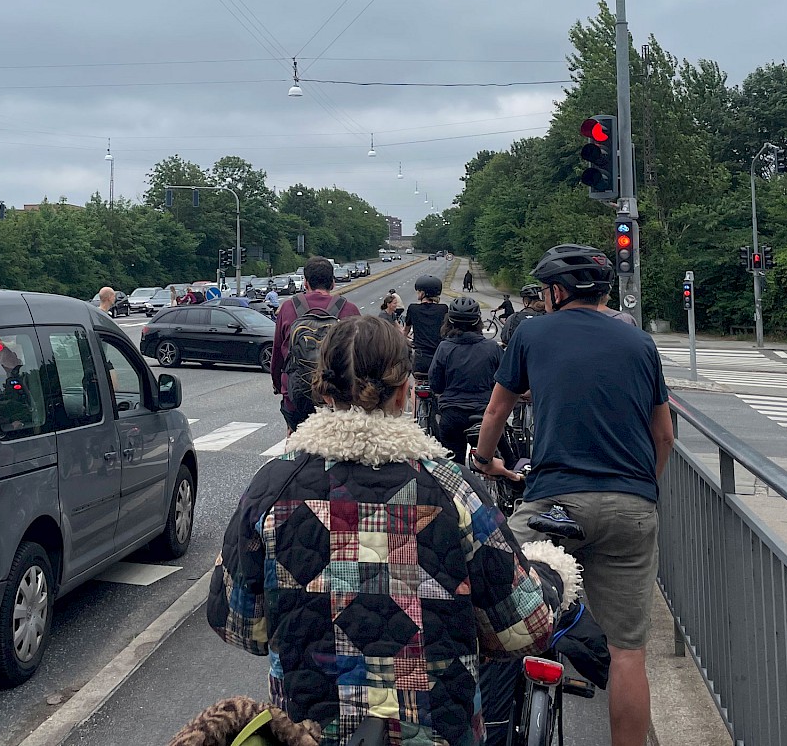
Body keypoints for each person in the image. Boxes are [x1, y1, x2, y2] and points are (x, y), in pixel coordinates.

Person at [209, 315, 574, 746]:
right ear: (404, 393)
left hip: (307, 732)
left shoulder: (273, 487)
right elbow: (525, 628)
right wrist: (552, 572)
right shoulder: (452, 488)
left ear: (323, 391)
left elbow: (238, 623)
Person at [471, 244, 676, 746]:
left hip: (554, 502)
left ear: (558, 292)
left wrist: (484, 460)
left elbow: (496, 411)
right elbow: (664, 437)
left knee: (490, 596)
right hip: (631, 506)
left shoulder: (532, 332)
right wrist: (642, 492)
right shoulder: (640, 343)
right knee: (628, 652)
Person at [269, 257, 359, 435]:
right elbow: (360, 357)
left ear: (305, 282)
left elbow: (278, 354)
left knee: (296, 438)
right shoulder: (349, 310)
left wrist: (279, 386)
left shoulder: (288, 308)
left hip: (297, 397)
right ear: (333, 283)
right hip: (336, 397)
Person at [428, 297, 504, 464]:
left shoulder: (444, 348)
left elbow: (436, 384)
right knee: (505, 460)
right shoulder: (492, 348)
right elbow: (505, 381)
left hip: (452, 415)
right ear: (478, 322)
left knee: (453, 468)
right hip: (486, 414)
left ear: (449, 322)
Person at [403, 274, 448, 379]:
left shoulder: (413, 309)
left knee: (417, 382)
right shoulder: (443, 309)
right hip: (438, 357)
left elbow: (405, 332)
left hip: (421, 358)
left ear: (423, 293)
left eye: (418, 291)